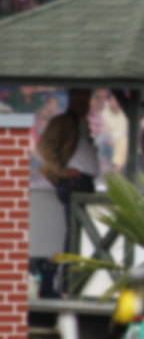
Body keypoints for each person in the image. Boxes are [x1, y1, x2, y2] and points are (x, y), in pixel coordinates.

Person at [37, 89, 99, 288]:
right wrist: (62, 171)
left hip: (83, 181)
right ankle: (68, 280)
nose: (87, 104)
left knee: (81, 231)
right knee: (75, 230)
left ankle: (76, 277)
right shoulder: (62, 121)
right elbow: (44, 148)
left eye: (88, 99)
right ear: (73, 100)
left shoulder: (81, 123)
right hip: (73, 183)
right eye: (83, 99)